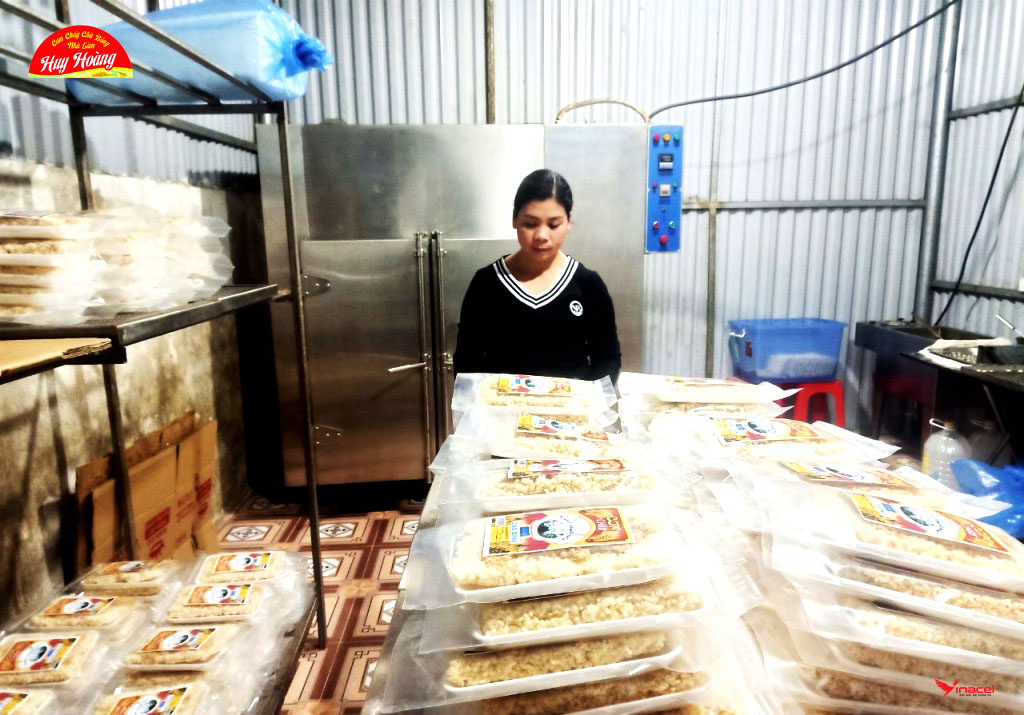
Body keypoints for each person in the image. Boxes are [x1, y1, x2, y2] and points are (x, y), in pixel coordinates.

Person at [453, 169, 621, 382]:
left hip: (571, 403)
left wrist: (589, 398)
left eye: (553, 224)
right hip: (502, 402)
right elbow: (467, 361)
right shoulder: (487, 283)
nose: (541, 235)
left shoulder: (588, 284)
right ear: (514, 219)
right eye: (531, 224)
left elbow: (607, 358)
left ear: (568, 222)